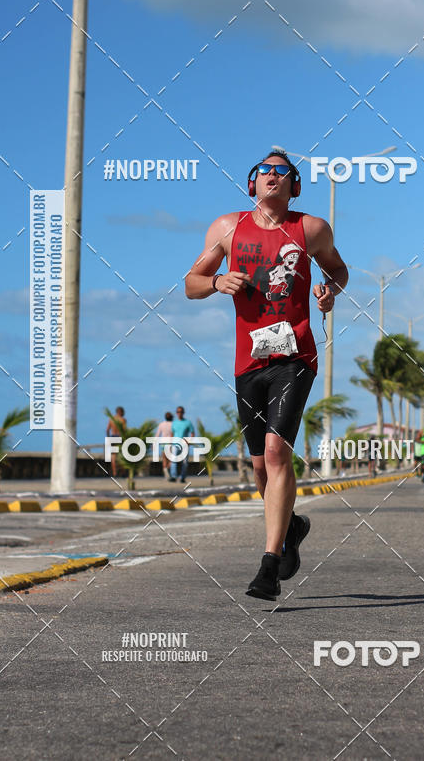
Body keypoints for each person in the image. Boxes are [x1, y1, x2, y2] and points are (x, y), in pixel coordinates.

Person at [185, 149, 348, 600]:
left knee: (276, 453)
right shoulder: (227, 228)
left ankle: (269, 566)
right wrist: (216, 282)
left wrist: (328, 289)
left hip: (295, 356)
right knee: (260, 466)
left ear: (294, 185)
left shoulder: (311, 229)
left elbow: (338, 269)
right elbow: (189, 284)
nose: (272, 175)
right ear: (252, 183)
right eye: (264, 170)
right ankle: (292, 527)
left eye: (282, 171)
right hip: (248, 362)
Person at [170, 405, 195, 483]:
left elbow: (192, 433)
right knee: (173, 460)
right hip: (175, 444)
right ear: (176, 413)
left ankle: (182, 477)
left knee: (185, 462)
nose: (179, 413)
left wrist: (189, 442)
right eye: (178, 412)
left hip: (184, 445)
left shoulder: (188, 422)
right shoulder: (174, 423)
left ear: (183, 413)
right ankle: (173, 476)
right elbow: (172, 433)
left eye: (180, 412)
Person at [106, 406, 127, 477]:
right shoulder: (122, 420)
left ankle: (114, 473)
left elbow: (107, 430)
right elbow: (124, 431)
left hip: (112, 437)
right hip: (120, 437)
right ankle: (123, 472)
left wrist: (109, 438)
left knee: (113, 456)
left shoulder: (111, 419)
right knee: (122, 455)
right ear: (120, 412)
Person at [155, 411, 174, 477]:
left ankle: (166, 471)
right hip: (171, 442)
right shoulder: (173, 424)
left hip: (163, 443)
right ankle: (168, 471)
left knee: (164, 459)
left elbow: (157, 435)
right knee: (171, 459)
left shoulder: (161, 424)